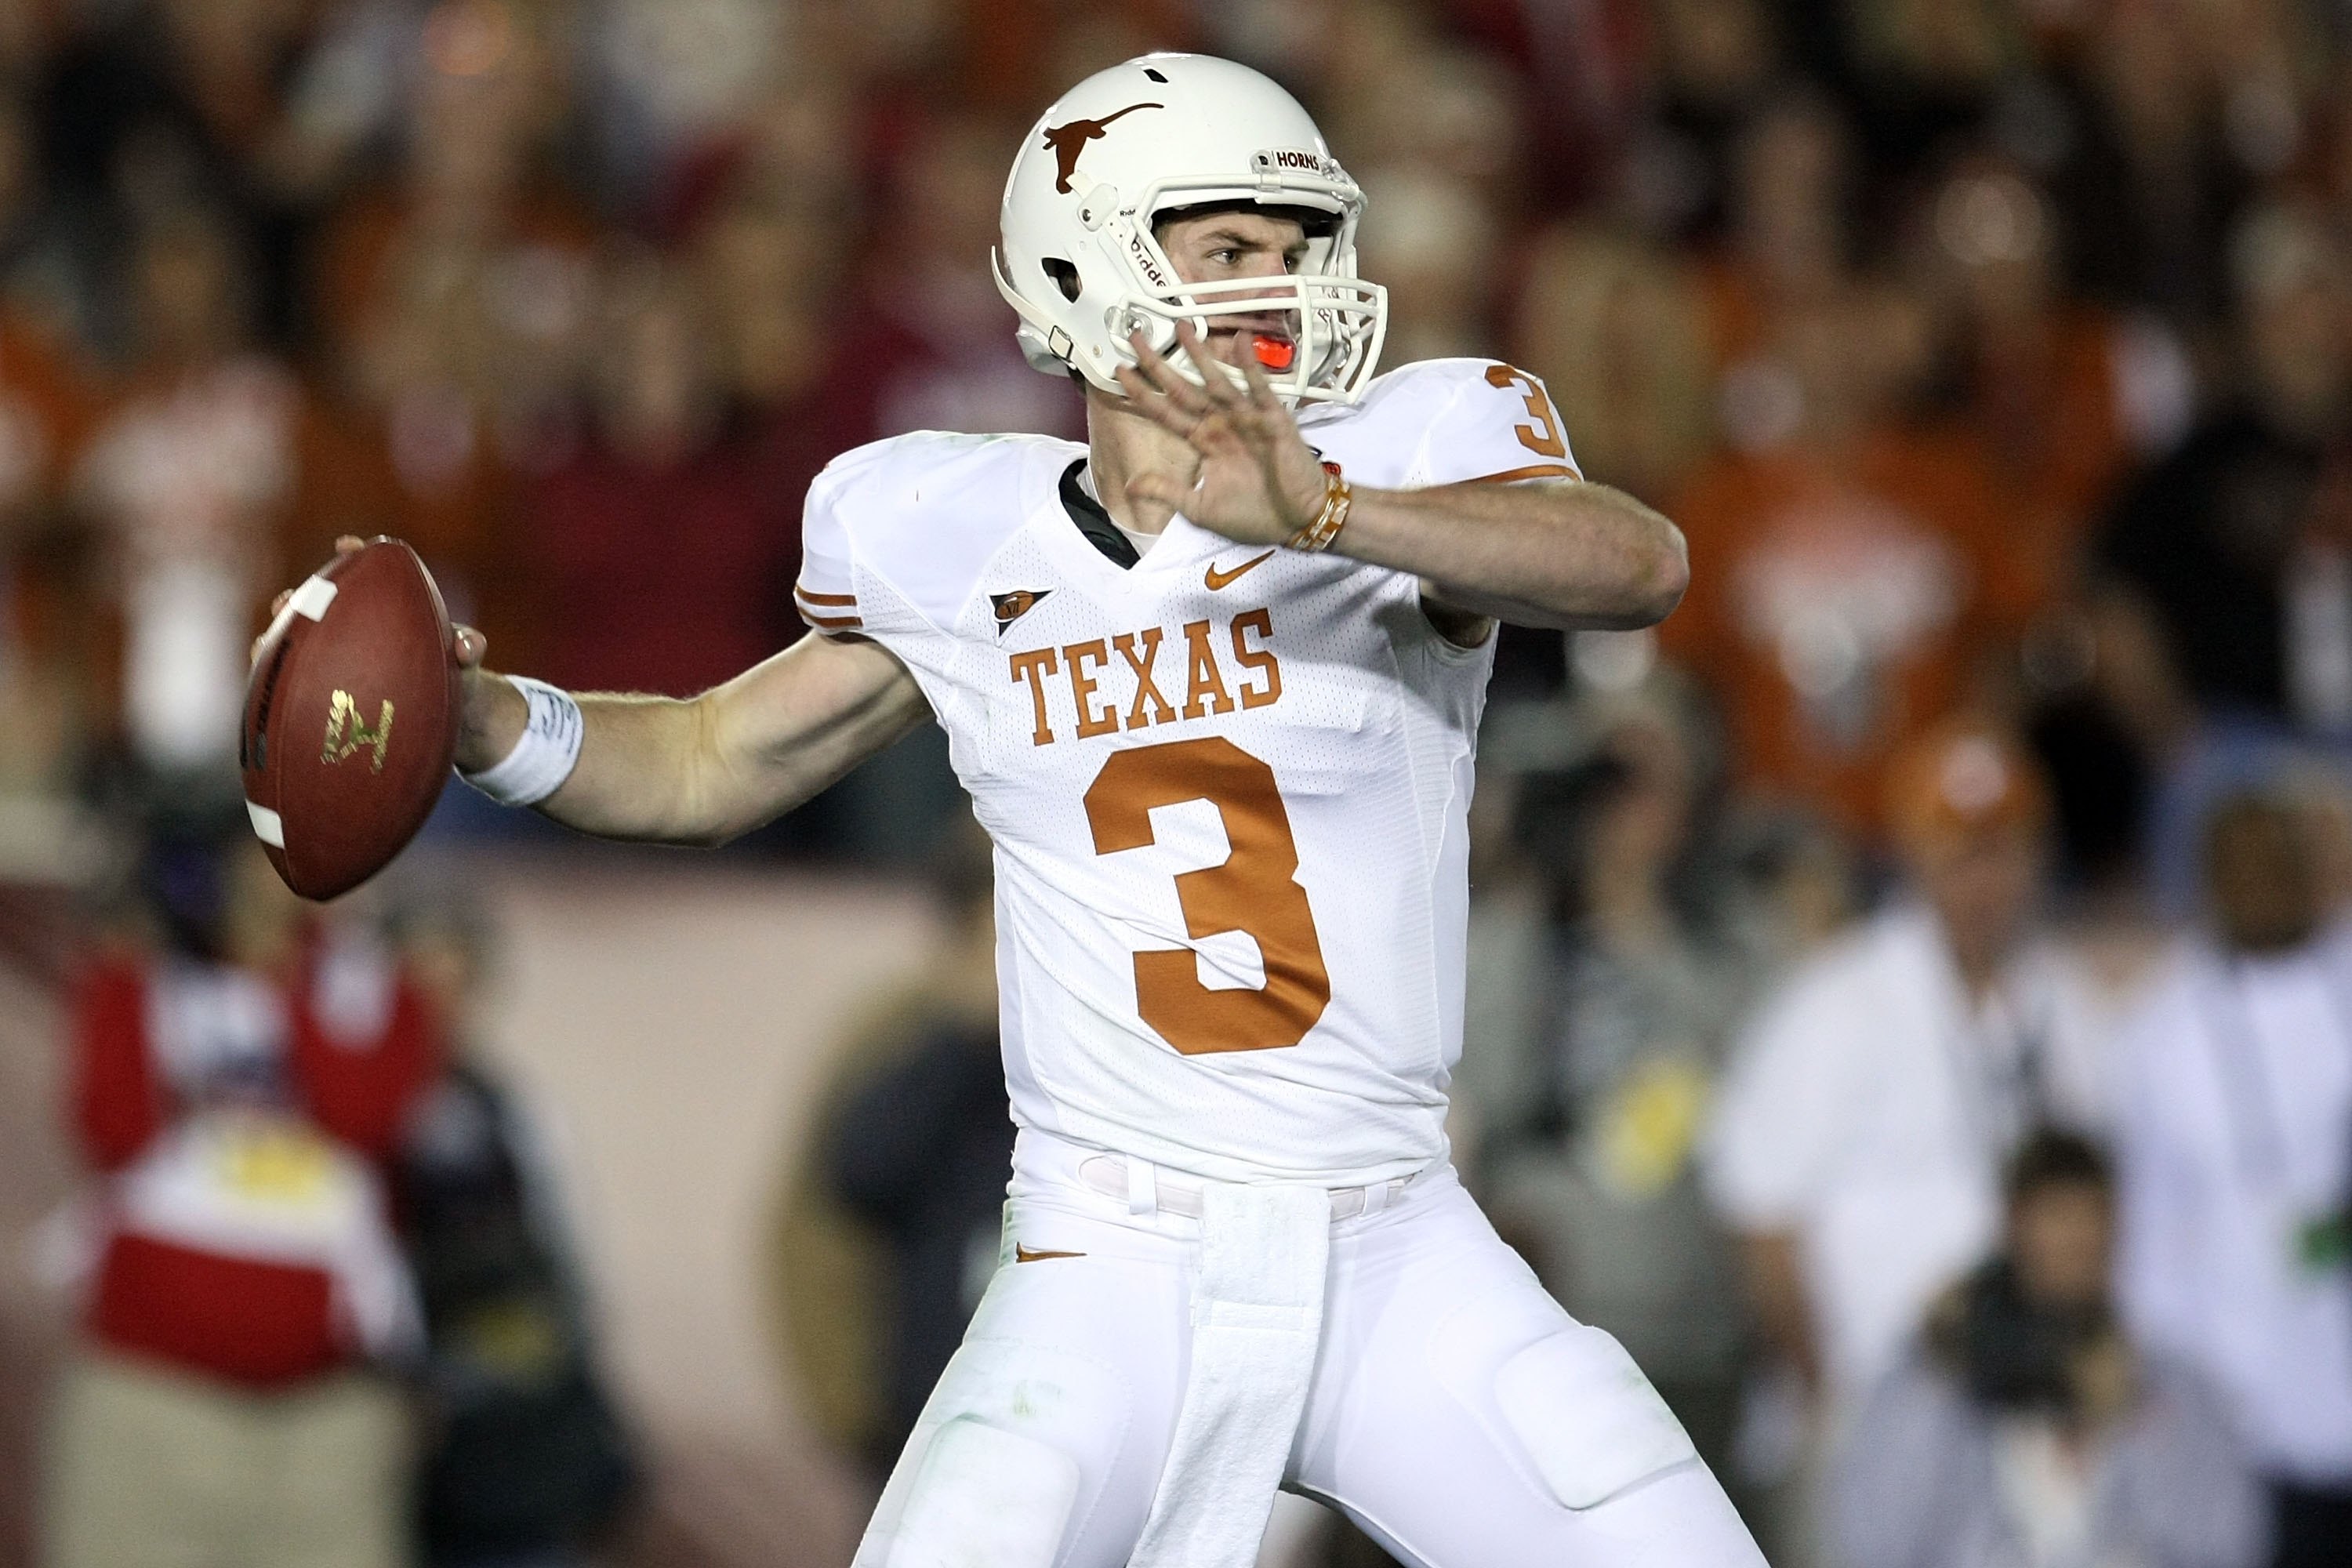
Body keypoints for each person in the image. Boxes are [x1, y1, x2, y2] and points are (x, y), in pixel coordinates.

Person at [276, 51, 1762, 1568]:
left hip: (1395, 1238)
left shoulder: (1408, 457)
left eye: (1304, 248)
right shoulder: (949, 526)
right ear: (1089, 268)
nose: (1288, 289)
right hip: (1106, 1257)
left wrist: (1323, 510)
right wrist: (480, 721)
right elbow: (712, 759)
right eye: (1231, 250)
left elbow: (1631, 564)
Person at [1701, 721, 2126, 1532]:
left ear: (2038, 854)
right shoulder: (1835, 1002)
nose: (1985, 880)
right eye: (1959, 852)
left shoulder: (2068, 1004)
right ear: (1913, 858)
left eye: (2003, 849)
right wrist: (1824, 1395)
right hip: (1872, 1409)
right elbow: (1760, 1222)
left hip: (2032, 1423)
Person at [45, 805, 438, 1568]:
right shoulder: (149, 975)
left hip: (324, 1428)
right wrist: (129, 964)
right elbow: (111, 1126)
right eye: (254, 858)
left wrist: (284, 979)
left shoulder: (373, 982)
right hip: (152, 1408)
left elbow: (368, 1117)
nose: (275, 881)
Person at [1833, 1130, 2267, 1568]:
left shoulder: (2167, 1389)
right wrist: (1966, 1368)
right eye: (2056, 1241)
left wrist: (2130, 1423)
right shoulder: (1937, 1375)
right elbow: (1873, 1539)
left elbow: (2228, 1541)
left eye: (2088, 1245)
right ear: (2013, 1231)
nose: (2072, 1266)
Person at [2114, 788, 2352, 1568]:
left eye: (2277, 862)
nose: (2261, 884)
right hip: (2245, 1409)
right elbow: (2149, 1240)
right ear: (2207, 885)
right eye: (2238, 868)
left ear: (2314, 870)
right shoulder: (2162, 1032)